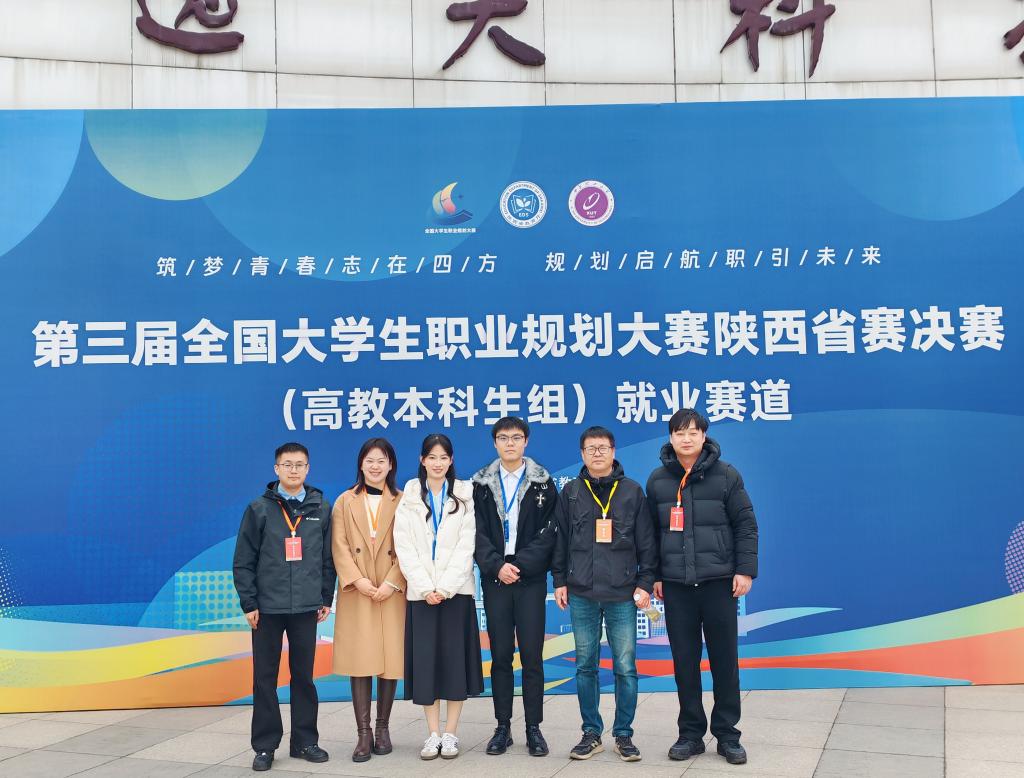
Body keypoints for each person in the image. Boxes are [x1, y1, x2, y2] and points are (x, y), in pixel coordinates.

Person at [646, 409, 758, 766]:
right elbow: (650, 535)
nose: (687, 438)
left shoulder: (726, 475)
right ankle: (691, 734)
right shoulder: (658, 480)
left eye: (693, 432)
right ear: (671, 437)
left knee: (725, 661)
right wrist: (655, 575)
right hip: (676, 586)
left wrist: (745, 570)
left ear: (704, 436)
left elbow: (745, 525)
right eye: (680, 433)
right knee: (684, 662)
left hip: (718, 583)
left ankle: (727, 734)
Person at [552, 426, 657, 763]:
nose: (596, 453)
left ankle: (623, 735)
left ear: (613, 451)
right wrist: (559, 580)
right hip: (581, 592)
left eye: (602, 447)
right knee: (586, 665)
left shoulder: (632, 491)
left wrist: (644, 583)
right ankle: (591, 733)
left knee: (625, 666)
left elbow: (647, 543)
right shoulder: (571, 492)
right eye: (590, 448)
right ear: (582, 454)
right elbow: (560, 540)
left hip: (622, 594)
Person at [232, 442, 335, 772]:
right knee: (265, 678)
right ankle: (265, 746)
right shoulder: (259, 509)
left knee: (303, 677)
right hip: (267, 608)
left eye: (299, 464)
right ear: (276, 469)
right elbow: (243, 560)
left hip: (306, 606)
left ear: (308, 469)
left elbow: (328, 559)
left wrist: (325, 597)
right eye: (287, 465)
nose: (293, 470)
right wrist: (249, 602)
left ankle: (305, 741)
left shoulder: (320, 507)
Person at [472, 416, 559, 757]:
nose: (510, 443)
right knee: (500, 656)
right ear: (495, 443)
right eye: (504, 438)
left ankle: (533, 728)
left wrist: (519, 565)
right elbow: (474, 532)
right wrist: (497, 565)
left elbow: (550, 532)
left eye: (516, 437)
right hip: (495, 578)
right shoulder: (479, 484)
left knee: (533, 656)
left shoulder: (543, 483)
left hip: (529, 579)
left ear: (526, 442)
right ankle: (502, 727)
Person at [393, 433, 483, 761]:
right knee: (427, 664)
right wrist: (424, 586)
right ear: (422, 460)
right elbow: (403, 546)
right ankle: (432, 734)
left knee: (455, 664)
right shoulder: (409, 497)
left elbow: (466, 546)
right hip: (421, 595)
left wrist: (444, 588)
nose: (438, 463)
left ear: (451, 460)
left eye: (444, 457)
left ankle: (451, 733)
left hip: (455, 594)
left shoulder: (464, 495)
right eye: (432, 457)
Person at [330, 438, 405, 762]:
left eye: (381, 461)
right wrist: (357, 580)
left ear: (391, 465)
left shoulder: (403, 501)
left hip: (390, 591)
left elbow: (410, 546)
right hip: (358, 590)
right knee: (360, 660)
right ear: (361, 464)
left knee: (389, 660)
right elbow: (339, 546)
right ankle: (363, 733)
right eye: (370, 460)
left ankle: (383, 728)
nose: (375, 466)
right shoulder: (344, 501)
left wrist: (392, 581)